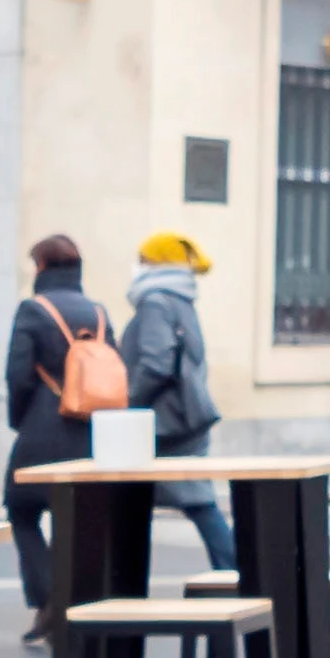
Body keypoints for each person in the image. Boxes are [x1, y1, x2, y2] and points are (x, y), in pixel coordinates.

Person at [1, 235, 104, 633]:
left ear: (41, 267)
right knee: (69, 516)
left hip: (43, 430)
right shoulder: (98, 312)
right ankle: (63, 601)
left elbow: (18, 375)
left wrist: (20, 420)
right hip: (90, 432)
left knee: (22, 509)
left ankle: (47, 597)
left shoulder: (33, 310)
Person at [119, 232, 233, 574]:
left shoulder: (155, 301)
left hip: (164, 423)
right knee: (194, 503)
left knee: (195, 503)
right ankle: (238, 576)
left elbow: (156, 362)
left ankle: (240, 575)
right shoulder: (181, 299)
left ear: (152, 263)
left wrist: (129, 404)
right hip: (183, 417)